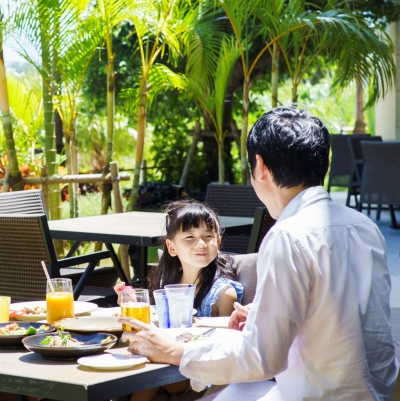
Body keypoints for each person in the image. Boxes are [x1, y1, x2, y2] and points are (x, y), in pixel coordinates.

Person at [120, 106, 397, 400]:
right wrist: (265, 315)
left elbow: (263, 358)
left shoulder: (288, 235)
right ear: (325, 163)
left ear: (260, 167)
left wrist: (176, 351)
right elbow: (348, 318)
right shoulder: (364, 225)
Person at [115, 200, 243, 401]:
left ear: (218, 243)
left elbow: (225, 345)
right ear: (171, 247)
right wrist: (129, 301)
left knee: (147, 361)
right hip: (167, 361)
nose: (201, 243)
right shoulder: (168, 283)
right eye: (190, 237)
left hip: (195, 371)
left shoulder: (223, 293)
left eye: (208, 236)